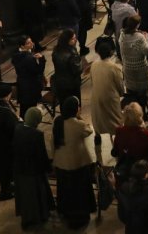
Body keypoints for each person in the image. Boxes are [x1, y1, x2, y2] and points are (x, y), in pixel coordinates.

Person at [52, 97, 96, 229]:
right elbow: (89, 130)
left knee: (65, 191)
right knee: (79, 193)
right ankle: (79, 217)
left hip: (61, 162)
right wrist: (80, 117)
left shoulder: (58, 121)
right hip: (77, 164)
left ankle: (65, 212)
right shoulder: (78, 124)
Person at [12, 107, 53, 230]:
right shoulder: (37, 135)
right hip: (34, 171)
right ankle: (38, 217)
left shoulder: (18, 129)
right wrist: (48, 168)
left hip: (20, 169)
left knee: (24, 196)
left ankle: (27, 218)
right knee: (36, 196)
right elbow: (41, 155)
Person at [89, 37, 125, 159]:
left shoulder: (93, 65)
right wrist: (121, 94)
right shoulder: (114, 67)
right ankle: (117, 145)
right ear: (111, 53)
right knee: (114, 120)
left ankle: (97, 136)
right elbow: (120, 85)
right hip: (110, 96)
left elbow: (93, 81)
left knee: (99, 117)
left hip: (96, 95)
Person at [113, 102, 148, 180]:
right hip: (143, 173)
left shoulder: (119, 131)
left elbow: (116, 150)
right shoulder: (146, 134)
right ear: (139, 117)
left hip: (125, 172)